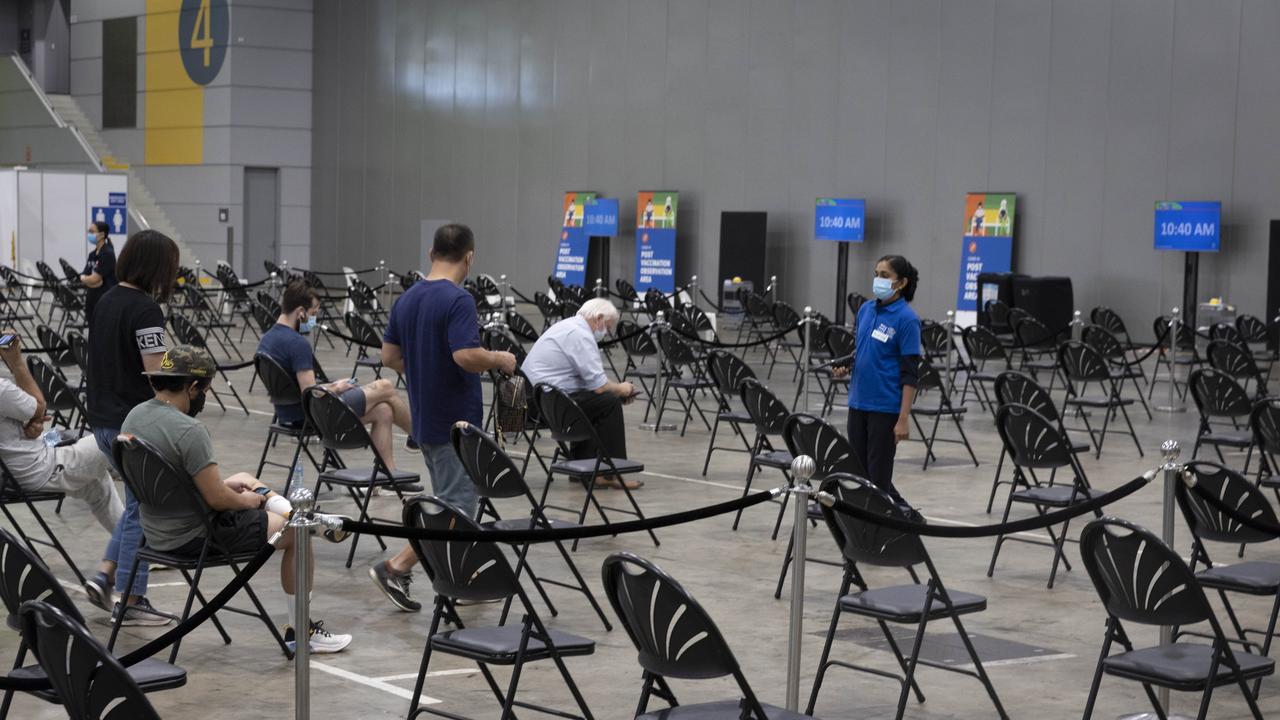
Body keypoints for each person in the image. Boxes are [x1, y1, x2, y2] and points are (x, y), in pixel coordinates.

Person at [122, 346, 352, 653]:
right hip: (195, 536)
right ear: (192, 387)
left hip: (154, 532)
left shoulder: (133, 418)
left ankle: (308, 517)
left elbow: (164, 479)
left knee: (245, 478)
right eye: (204, 389)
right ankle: (302, 629)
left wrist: (230, 488)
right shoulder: (189, 430)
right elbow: (218, 500)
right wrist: (249, 502)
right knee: (296, 534)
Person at [368, 223, 516, 613]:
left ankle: (463, 581)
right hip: (456, 422)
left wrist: (422, 369)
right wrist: (499, 359)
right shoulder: (459, 300)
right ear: (469, 258)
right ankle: (397, 566)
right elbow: (466, 355)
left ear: (432, 254)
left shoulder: (408, 298)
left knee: (449, 501)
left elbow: (388, 356)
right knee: (457, 508)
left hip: (427, 418)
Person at [82, 229, 180, 625]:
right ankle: (132, 598)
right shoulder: (144, 309)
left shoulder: (105, 300)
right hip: (132, 423)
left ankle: (105, 574)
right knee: (148, 509)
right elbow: (158, 371)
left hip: (102, 420)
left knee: (139, 503)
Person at [257, 280, 415, 476]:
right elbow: (311, 394)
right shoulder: (297, 343)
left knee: (383, 411)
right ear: (300, 312)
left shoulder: (266, 340)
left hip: (288, 414)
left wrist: (330, 385)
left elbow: (299, 387)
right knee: (385, 386)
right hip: (315, 416)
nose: (313, 320)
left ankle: (387, 476)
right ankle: (419, 436)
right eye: (313, 314)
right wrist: (337, 388)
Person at [0, 331, 122, 531]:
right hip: (40, 466)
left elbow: (31, 416)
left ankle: (128, 552)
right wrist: (16, 363)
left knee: (97, 481)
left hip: (25, 455)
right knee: (121, 433)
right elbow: (40, 406)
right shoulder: (2, 389)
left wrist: (31, 425)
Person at [522, 297, 640, 489]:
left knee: (593, 402)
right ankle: (612, 474)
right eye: (608, 327)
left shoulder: (567, 326)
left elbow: (588, 384)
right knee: (609, 402)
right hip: (548, 405)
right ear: (599, 318)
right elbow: (599, 385)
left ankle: (582, 470)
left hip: (537, 401)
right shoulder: (581, 334)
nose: (607, 333)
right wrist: (622, 389)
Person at [837, 255, 921, 511]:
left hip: (884, 409)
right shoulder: (865, 310)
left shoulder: (907, 319)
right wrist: (847, 365)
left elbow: (910, 374)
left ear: (901, 282)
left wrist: (903, 418)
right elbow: (863, 350)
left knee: (879, 478)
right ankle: (906, 517)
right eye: (876, 273)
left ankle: (883, 531)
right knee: (862, 474)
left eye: (885, 275)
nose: (878, 280)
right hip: (858, 402)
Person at [80, 220, 117, 322]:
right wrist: (88, 280)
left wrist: (88, 280)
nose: (89, 234)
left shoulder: (107, 254)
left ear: (101, 235)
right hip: (92, 298)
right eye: (89, 231)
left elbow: (95, 279)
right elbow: (86, 276)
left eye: (92, 231)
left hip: (104, 300)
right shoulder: (92, 254)